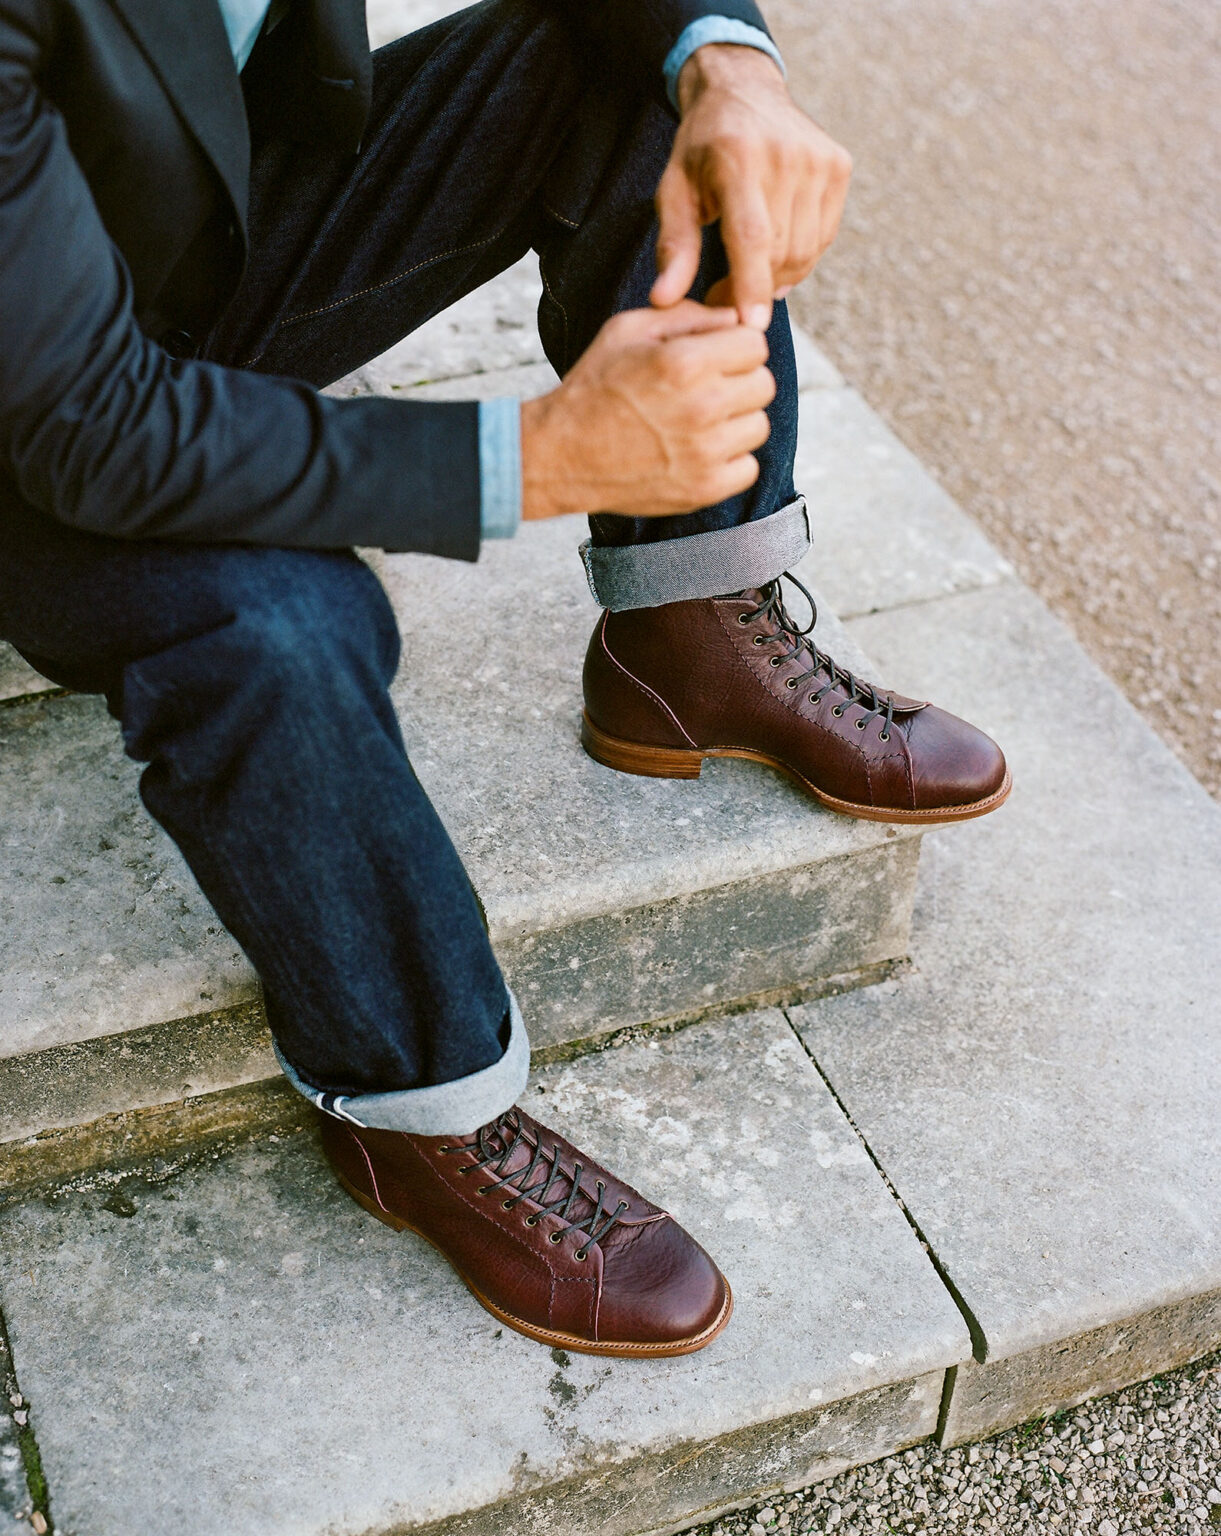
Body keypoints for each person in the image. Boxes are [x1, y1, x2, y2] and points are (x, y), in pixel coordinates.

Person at [0, 0, 1009, 1358]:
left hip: (163, 257)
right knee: (280, 623)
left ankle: (688, 631)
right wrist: (532, 455)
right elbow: (87, 431)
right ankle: (419, 1115)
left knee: (635, 76)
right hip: (31, 441)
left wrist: (728, 61)